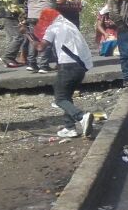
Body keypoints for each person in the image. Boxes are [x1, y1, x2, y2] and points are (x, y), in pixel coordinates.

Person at [30, 8, 94, 138]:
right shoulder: (70, 25)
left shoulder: (54, 27)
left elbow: (40, 47)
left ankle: (81, 116)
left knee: (60, 98)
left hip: (68, 66)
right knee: (66, 96)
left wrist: (26, 33)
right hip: (81, 67)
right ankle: (69, 128)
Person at [19, 0, 66, 73]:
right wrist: (54, 2)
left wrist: (31, 2)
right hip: (47, 14)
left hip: (32, 13)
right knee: (47, 38)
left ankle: (31, 63)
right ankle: (43, 65)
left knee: (33, 38)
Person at [0, 0, 26, 68]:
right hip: (10, 15)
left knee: (12, 38)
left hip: (4, 14)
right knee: (18, 37)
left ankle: (11, 59)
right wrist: (22, 14)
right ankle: (8, 57)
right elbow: (16, 2)